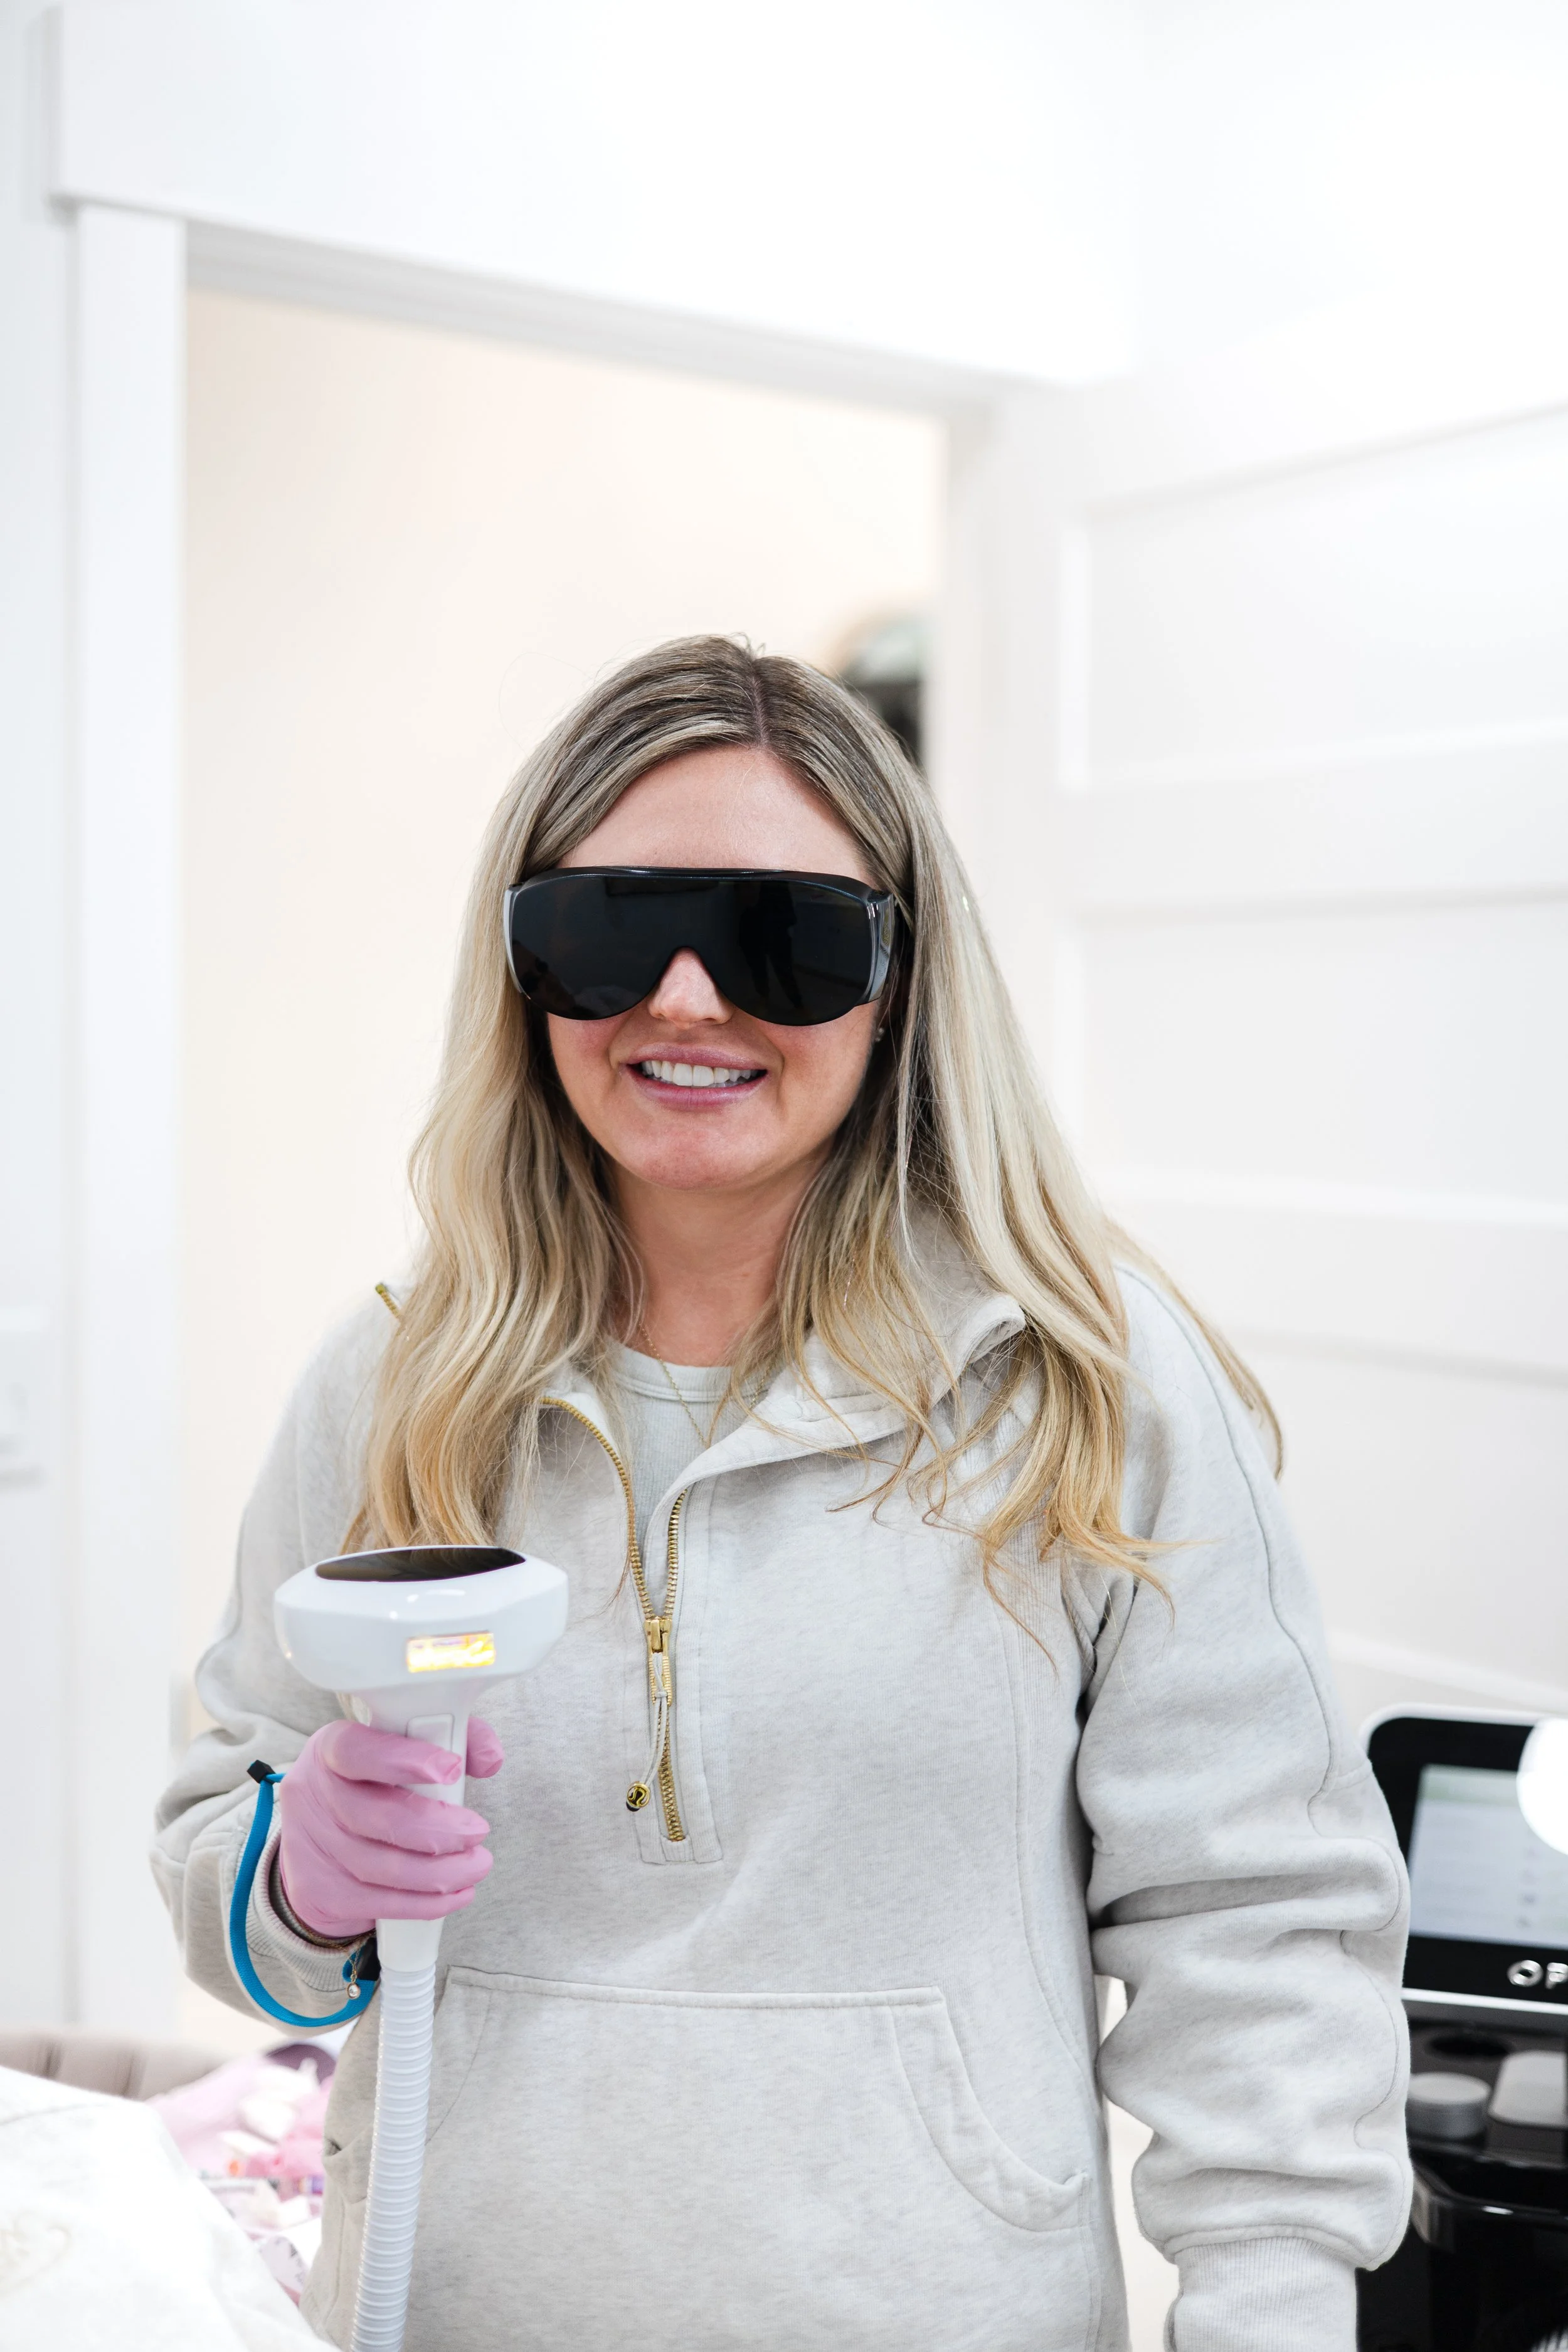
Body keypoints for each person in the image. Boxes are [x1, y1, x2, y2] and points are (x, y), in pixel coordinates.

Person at [156, 637, 1411, 2352]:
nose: (683, 1000)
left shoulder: (1081, 1382)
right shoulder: (390, 1385)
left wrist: (1270, 2313)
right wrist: (295, 1871)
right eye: (605, 930)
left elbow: (1259, 1923)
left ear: (900, 978)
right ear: (522, 969)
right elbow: (225, 1864)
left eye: (782, 940)